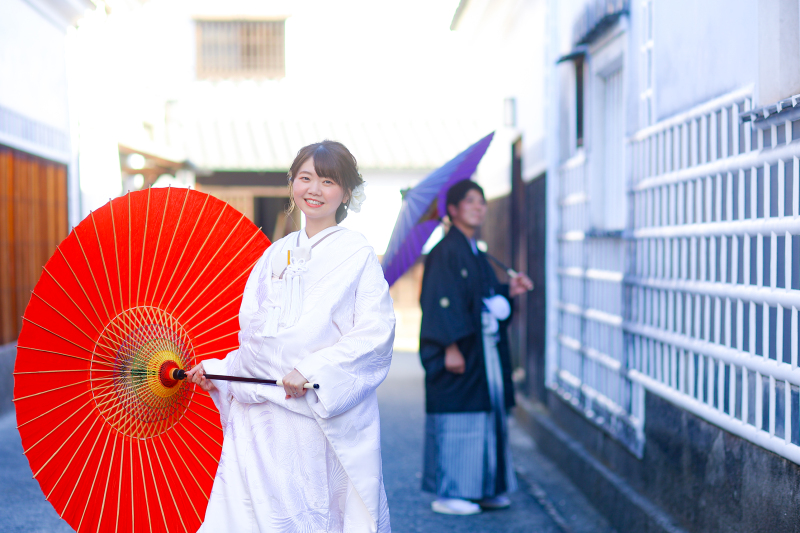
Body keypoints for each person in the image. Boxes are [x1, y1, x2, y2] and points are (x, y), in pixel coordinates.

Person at [186, 140, 395, 532]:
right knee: (250, 516)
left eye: (328, 181)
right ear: (292, 182)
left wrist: (313, 370)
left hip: (310, 411)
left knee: (308, 516)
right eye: (305, 178)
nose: (314, 189)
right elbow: (255, 335)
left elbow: (375, 334)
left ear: (346, 193)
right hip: (258, 413)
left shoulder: (357, 254)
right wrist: (219, 370)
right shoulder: (274, 253)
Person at [418, 179, 534, 516]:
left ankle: (483, 488)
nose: (479, 207)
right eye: (470, 201)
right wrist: (449, 347)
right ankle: (451, 492)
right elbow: (440, 302)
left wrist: (508, 290)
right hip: (461, 351)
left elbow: (482, 295)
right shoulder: (444, 252)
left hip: (483, 351)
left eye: (481, 201)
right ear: (453, 210)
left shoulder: (475, 251)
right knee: (460, 418)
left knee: (487, 415)